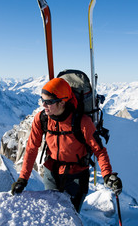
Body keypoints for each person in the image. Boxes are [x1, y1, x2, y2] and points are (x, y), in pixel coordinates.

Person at [11, 78, 122, 213]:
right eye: (42, 100)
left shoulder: (83, 122)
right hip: (52, 172)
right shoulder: (42, 119)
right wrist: (23, 178)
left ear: (62, 102)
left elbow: (99, 150)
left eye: (48, 102)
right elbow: (31, 148)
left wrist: (107, 175)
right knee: (52, 213)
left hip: (77, 176)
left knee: (71, 215)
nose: (43, 105)